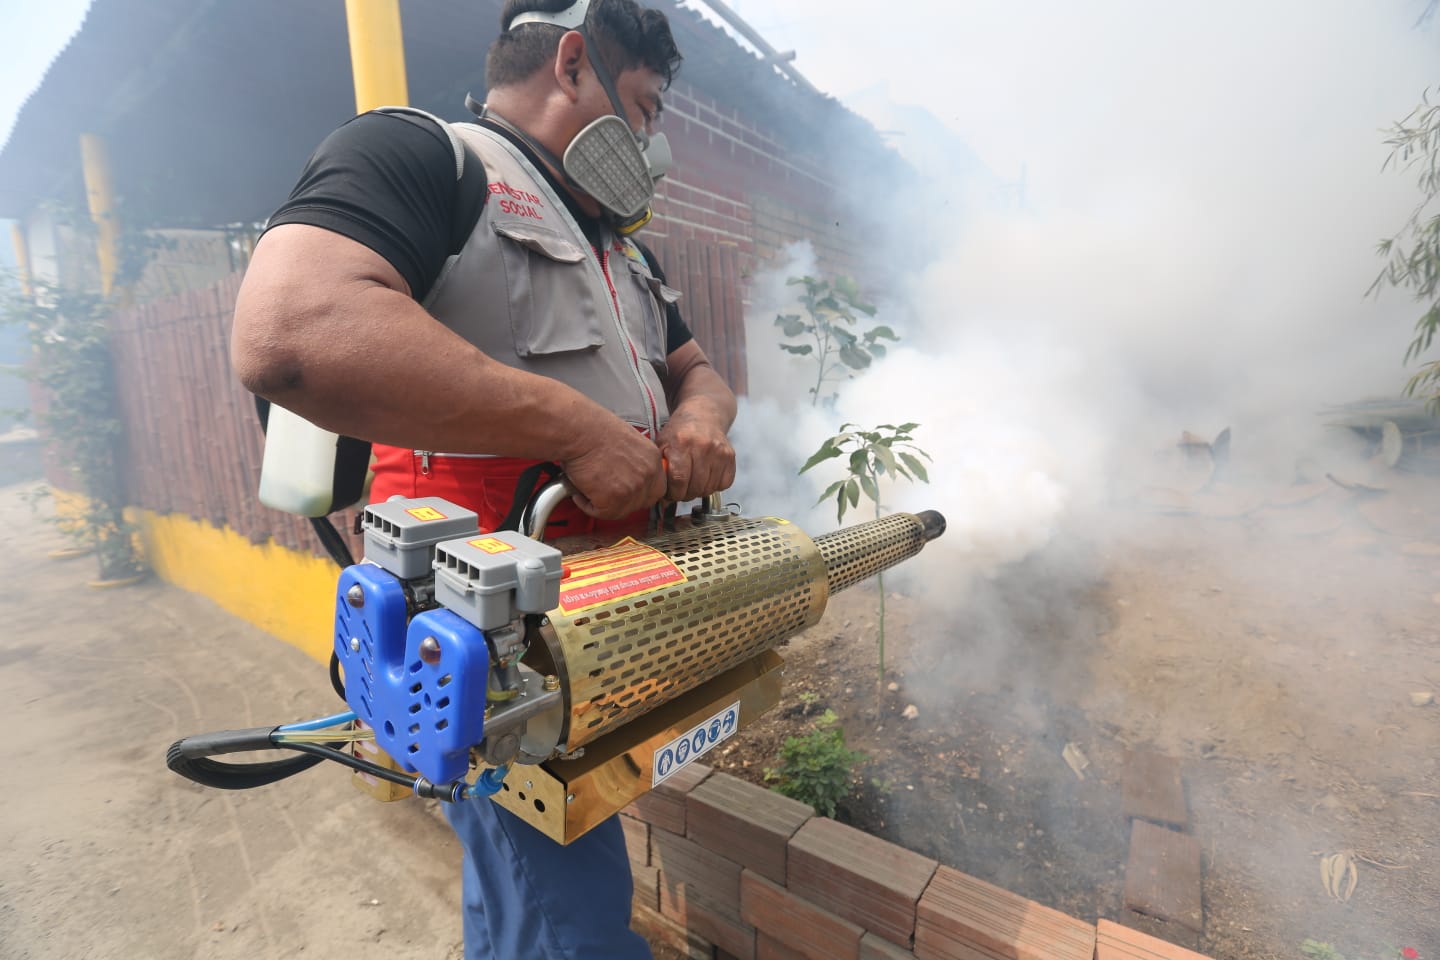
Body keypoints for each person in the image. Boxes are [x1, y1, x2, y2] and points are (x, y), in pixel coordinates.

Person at [230, 0, 736, 956]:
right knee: (569, 919)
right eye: (646, 105)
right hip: (487, 650)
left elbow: (694, 370)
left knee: (523, 894)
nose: (653, 141)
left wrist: (702, 417)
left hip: (596, 629)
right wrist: (576, 429)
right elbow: (288, 329)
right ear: (574, 64)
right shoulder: (426, 159)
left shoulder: (618, 247)